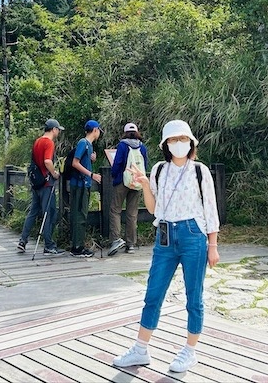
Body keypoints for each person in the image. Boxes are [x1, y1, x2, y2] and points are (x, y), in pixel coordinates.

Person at [112, 119, 220, 373]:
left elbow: (211, 208)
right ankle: (140, 349)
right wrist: (147, 185)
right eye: (173, 140)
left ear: (191, 142)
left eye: (182, 139)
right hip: (165, 235)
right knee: (153, 293)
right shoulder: (160, 169)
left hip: (194, 235)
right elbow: (153, 209)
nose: (178, 144)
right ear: (165, 144)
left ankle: (190, 351)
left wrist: (213, 244)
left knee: (194, 297)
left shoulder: (199, 170)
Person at [17, 118, 65, 255]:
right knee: (48, 213)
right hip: (46, 183)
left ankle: (23, 240)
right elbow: (47, 161)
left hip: (36, 182)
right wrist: (54, 173)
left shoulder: (37, 141)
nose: (58, 132)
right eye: (58, 130)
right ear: (54, 129)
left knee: (33, 212)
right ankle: (49, 245)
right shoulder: (49, 143)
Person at [108, 122, 149, 256]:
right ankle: (131, 244)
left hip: (122, 181)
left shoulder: (122, 145)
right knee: (132, 213)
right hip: (136, 182)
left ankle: (116, 239)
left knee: (115, 210)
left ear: (125, 132)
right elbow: (145, 164)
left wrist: (114, 175)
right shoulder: (142, 147)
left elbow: (117, 163)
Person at [68, 120, 102, 257]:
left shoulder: (89, 146)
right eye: (98, 130)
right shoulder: (83, 143)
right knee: (80, 215)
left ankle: (77, 245)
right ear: (95, 130)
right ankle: (77, 247)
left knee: (81, 214)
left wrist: (91, 158)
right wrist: (91, 175)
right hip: (80, 184)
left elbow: (82, 160)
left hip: (84, 184)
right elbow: (75, 163)